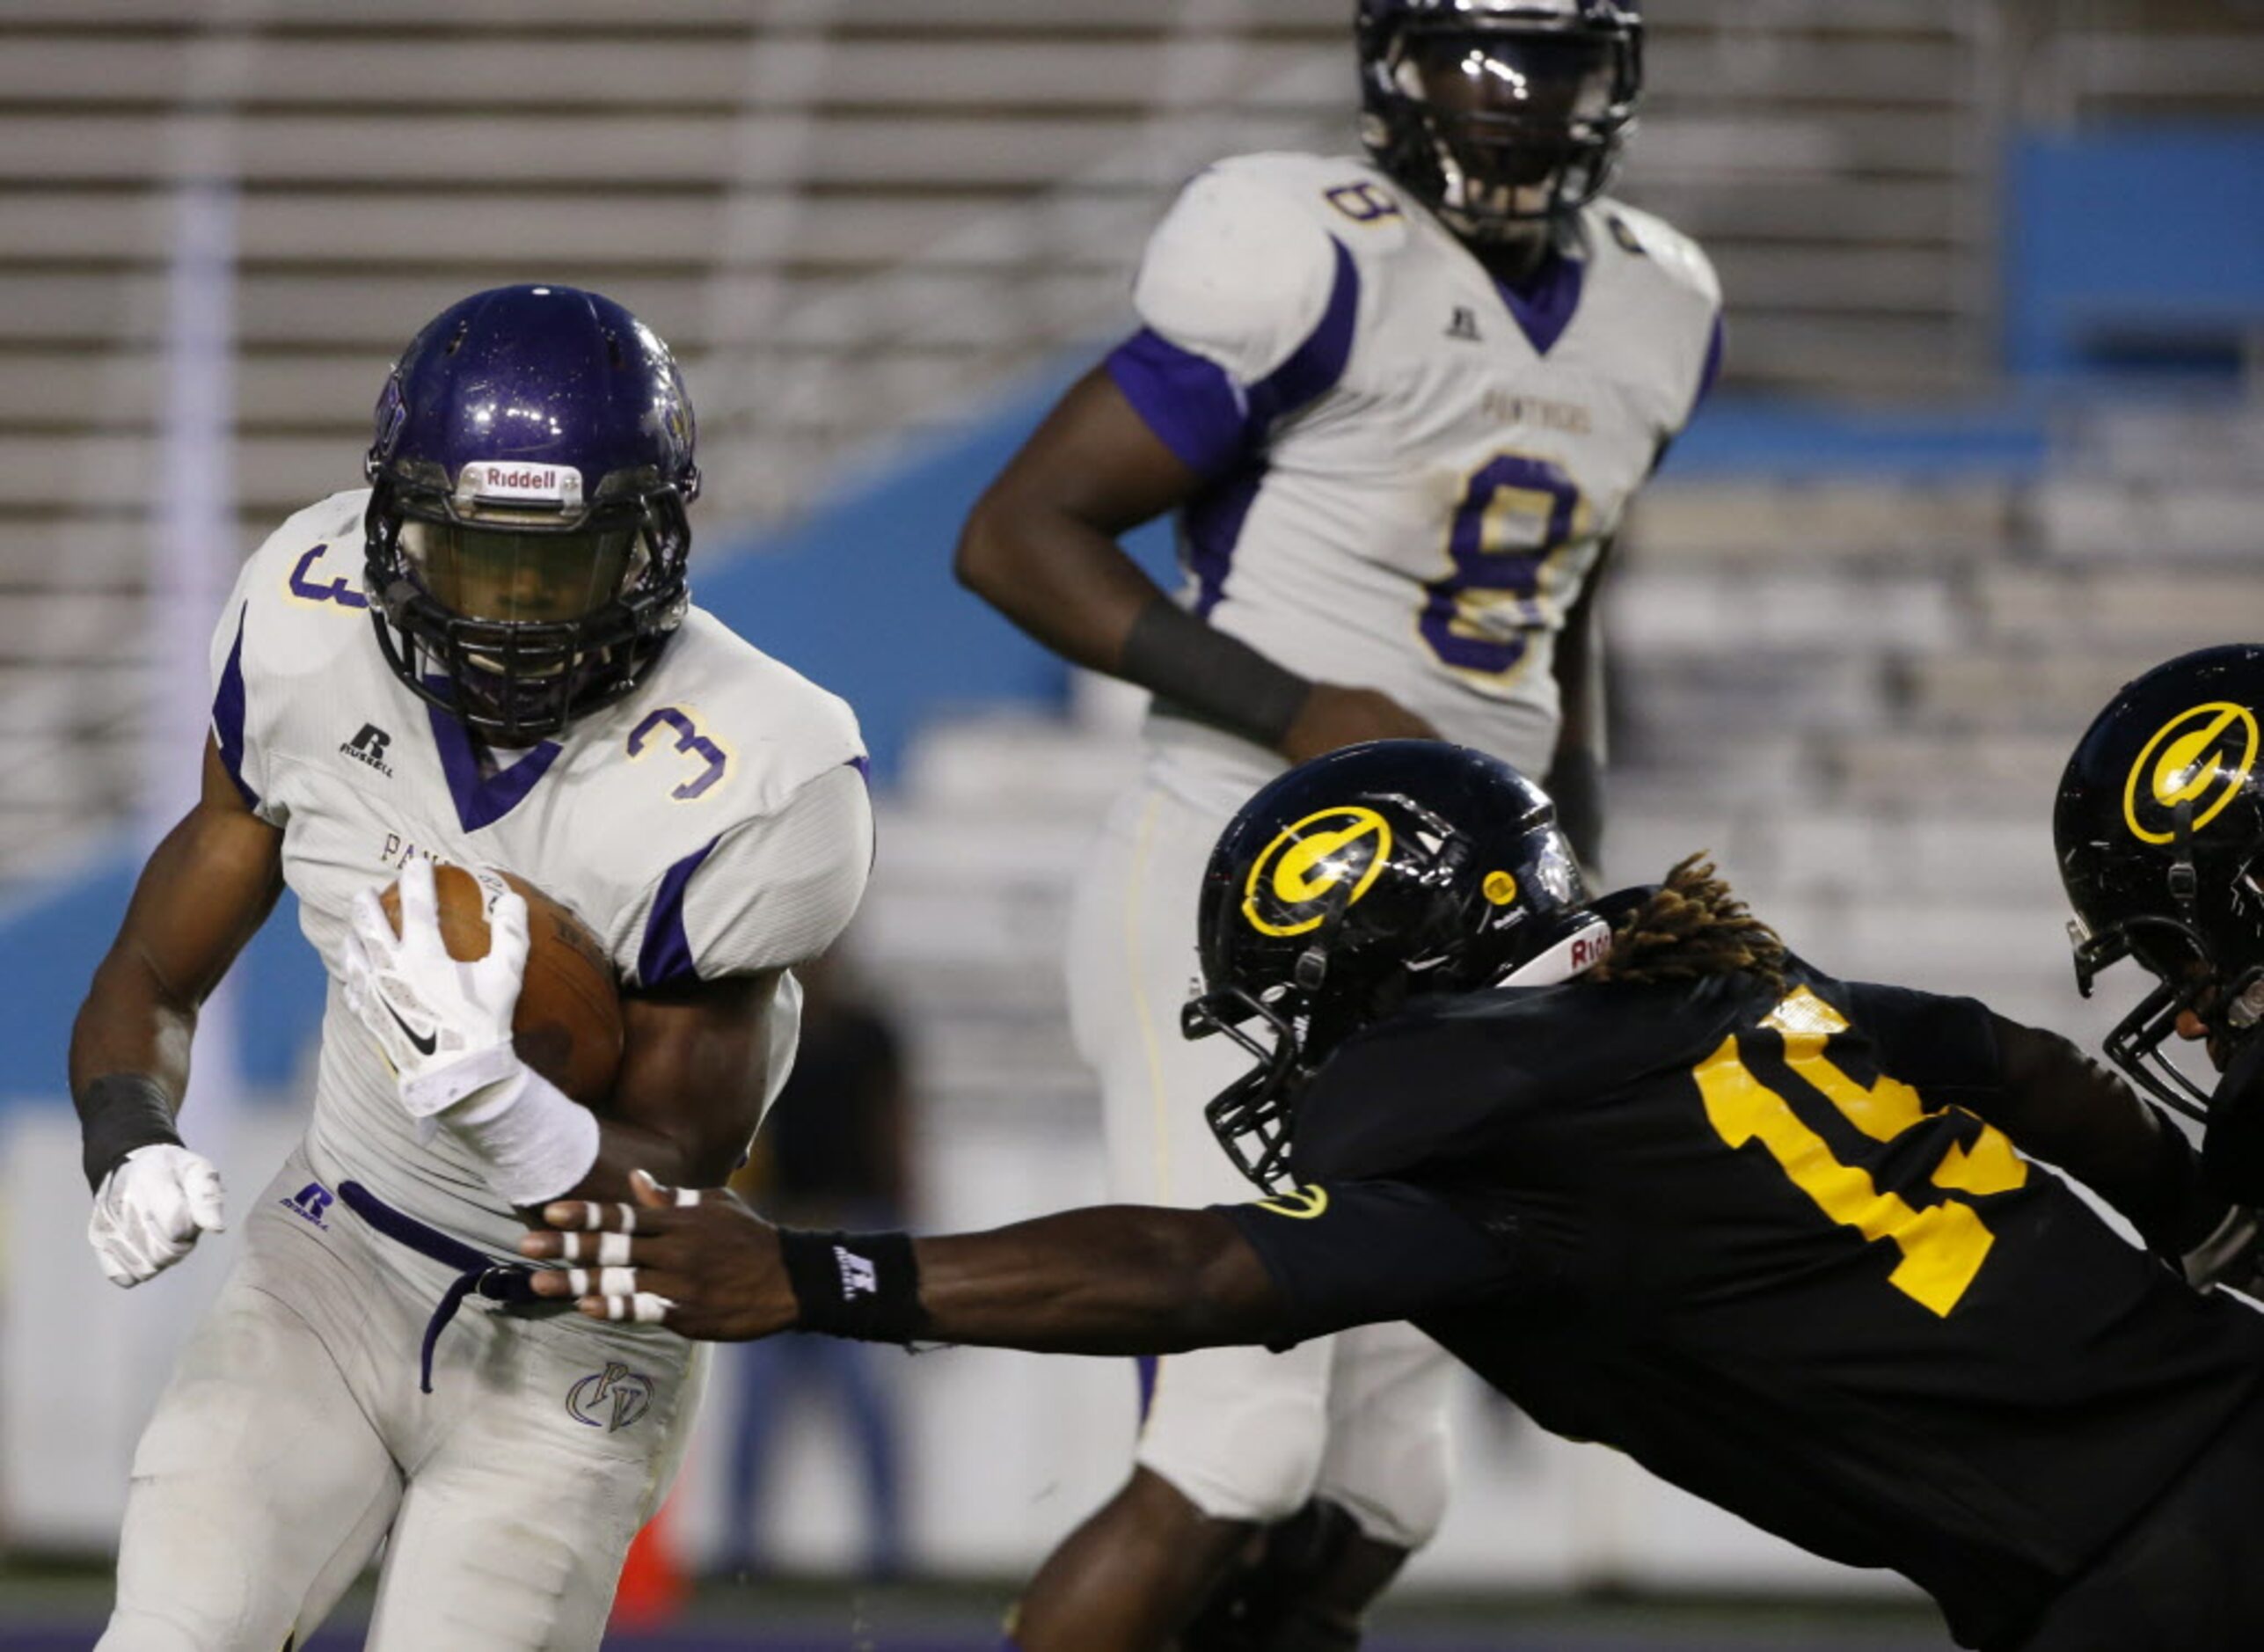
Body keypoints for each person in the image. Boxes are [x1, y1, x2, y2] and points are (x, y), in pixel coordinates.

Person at [522, 722, 2264, 1652]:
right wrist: (2198, 1223)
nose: (1294, 1073)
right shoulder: (1707, 988)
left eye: (1301, 1023)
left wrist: (813, 1280)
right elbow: (2007, 1056)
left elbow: (1204, 1279)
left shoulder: (1504, 1127)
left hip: (2133, 1569)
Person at [950, 2, 1715, 1641]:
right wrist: (1293, 709)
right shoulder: (1307, 249)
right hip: (1238, 873)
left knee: (1390, 1479)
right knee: (1238, 1438)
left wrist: (1568, 887)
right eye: (1474, 57)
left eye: (1553, 62)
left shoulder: (1662, 298)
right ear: (1394, 64)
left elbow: (1555, 621)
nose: (1511, 103)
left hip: (1456, 919)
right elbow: (1017, 532)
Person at [69, 283, 873, 1650]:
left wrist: (494, 1091)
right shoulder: (302, 611)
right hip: (330, 1255)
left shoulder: (764, 768)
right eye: (467, 559)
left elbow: (674, 1181)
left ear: (652, 545)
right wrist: (129, 1134)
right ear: (388, 528)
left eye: (557, 568)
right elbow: (155, 965)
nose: (509, 615)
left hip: (581, 1326)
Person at [718, 951, 913, 1579]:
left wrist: (902, 1210)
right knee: (757, 1406)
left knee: (862, 1403)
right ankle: (742, 1549)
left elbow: (892, 1119)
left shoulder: (866, 1030)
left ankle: (888, 1549)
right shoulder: (765, 1030)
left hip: (852, 1230)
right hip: (774, 1234)